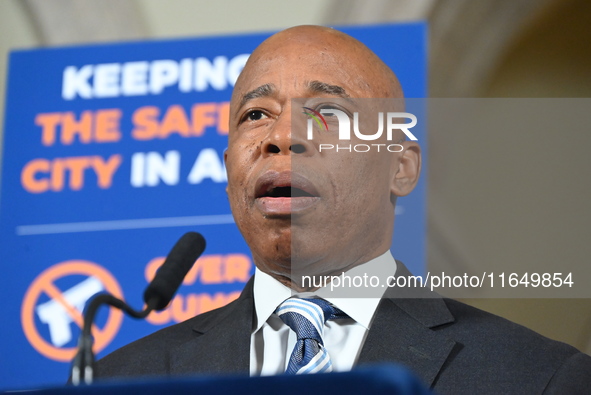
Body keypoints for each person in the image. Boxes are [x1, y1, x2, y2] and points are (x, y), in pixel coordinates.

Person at [96, 25, 591, 393]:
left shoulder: (540, 377)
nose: (283, 137)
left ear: (401, 167)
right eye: (255, 115)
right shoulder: (117, 379)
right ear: (229, 169)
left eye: (327, 113)